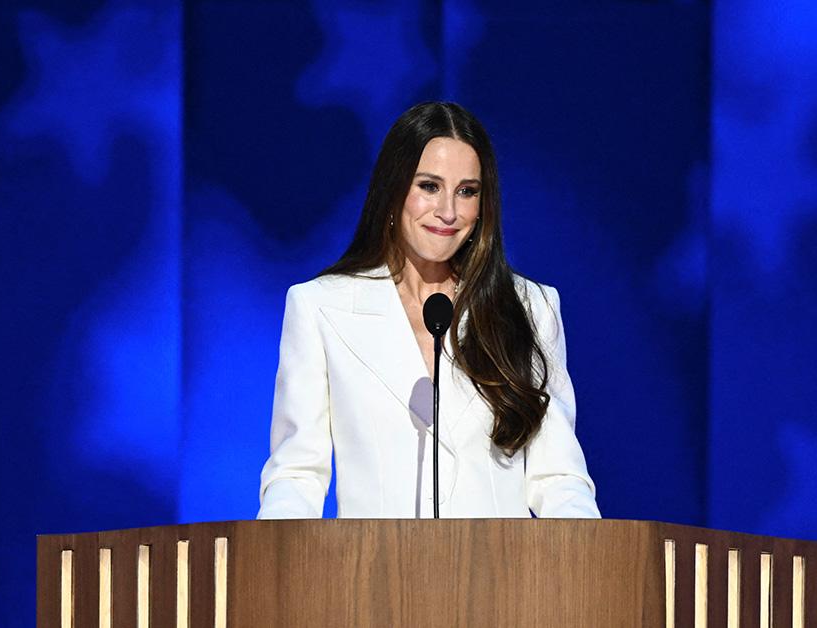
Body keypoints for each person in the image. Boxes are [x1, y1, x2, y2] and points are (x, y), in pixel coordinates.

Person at [257, 102, 599, 519]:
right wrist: (273, 571)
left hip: (503, 579)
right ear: (393, 189)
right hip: (373, 578)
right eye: (429, 186)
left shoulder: (530, 308)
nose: (449, 212)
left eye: (467, 191)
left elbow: (559, 479)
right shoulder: (320, 308)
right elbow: (297, 475)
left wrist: (589, 571)